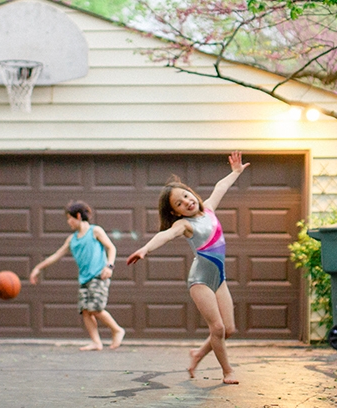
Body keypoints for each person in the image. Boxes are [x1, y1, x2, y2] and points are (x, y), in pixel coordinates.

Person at [126, 151, 249, 384]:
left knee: (229, 329)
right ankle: (227, 371)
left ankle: (197, 354)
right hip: (200, 280)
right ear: (176, 212)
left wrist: (235, 172)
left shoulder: (210, 209)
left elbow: (220, 187)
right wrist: (145, 249)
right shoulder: (184, 224)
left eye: (186, 195)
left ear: (192, 192)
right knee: (218, 326)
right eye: (179, 203)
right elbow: (166, 234)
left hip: (219, 278)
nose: (187, 202)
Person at [29, 201, 126, 351]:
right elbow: (55, 256)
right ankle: (96, 342)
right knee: (85, 311)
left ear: (78, 216)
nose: (68, 222)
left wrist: (110, 266)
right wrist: (38, 268)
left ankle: (117, 329)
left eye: (70, 218)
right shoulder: (72, 240)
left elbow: (111, 247)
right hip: (84, 279)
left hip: (98, 275)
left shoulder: (95, 231)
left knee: (96, 308)